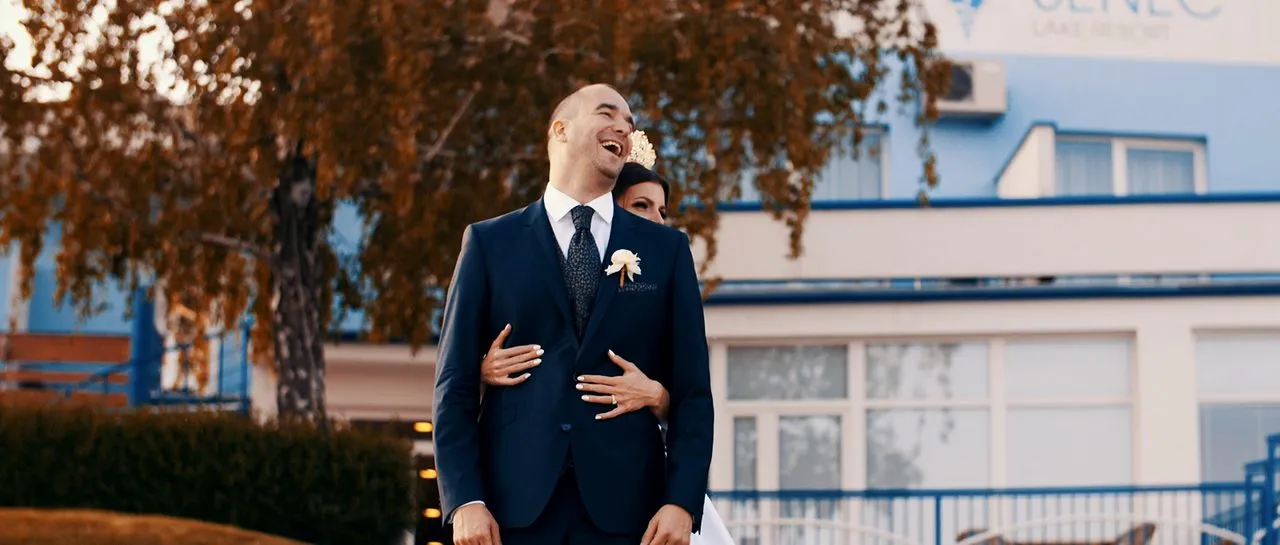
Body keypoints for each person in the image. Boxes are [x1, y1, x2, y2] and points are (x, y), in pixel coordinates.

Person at [433, 84, 714, 545]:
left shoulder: (666, 250)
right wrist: (464, 500)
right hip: (510, 513)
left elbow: (694, 393)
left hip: (630, 514)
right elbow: (454, 385)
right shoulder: (489, 243)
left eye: (628, 122)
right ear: (560, 130)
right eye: (607, 114)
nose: (623, 127)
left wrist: (682, 502)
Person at [479, 132, 735, 545]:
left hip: (627, 494)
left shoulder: (666, 263)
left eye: (662, 210)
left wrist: (657, 395)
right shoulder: (520, 248)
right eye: (641, 205)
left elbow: (692, 390)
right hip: (525, 494)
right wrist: (481, 367)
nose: (655, 219)